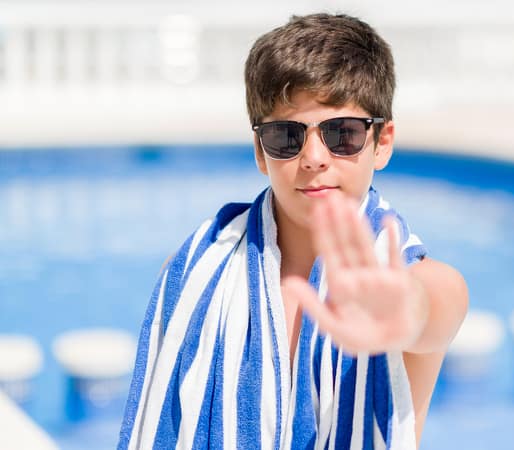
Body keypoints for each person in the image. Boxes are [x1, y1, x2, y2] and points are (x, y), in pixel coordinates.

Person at [118, 13, 468, 450]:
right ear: (261, 153)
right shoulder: (195, 270)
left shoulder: (417, 280)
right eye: (286, 136)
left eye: (343, 133)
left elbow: (433, 312)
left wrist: (401, 309)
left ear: (382, 142)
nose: (315, 157)